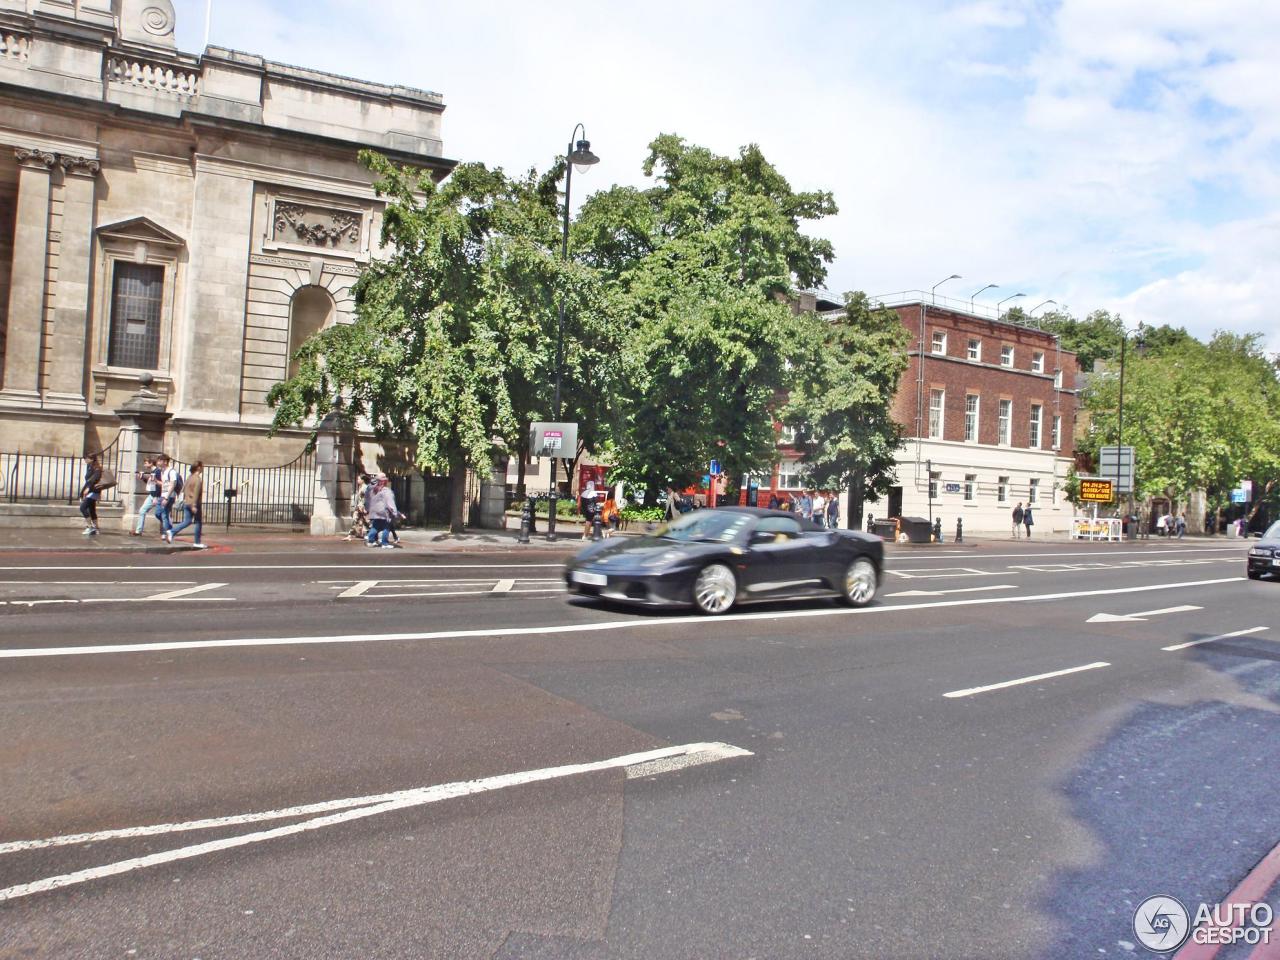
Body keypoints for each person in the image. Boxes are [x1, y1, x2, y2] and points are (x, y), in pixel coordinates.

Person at [169, 461, 207, 549]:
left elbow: (183, 489)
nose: (202, 468)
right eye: (202, 466)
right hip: (194, 503)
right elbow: (196, 492)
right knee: (198, 522)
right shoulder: (197, 479)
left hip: (187, 502)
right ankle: (197, 542)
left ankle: (171, 532)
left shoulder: (189, 477)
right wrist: (193, 505)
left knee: (187, 521)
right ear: (198, 467)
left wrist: (186, 499)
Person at [365, 474, 399, 548]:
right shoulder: (386, 491)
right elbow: (390, 502)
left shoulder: (371, 489)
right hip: (384, 512)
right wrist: (395, 512)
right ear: (384, 482)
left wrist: (367, 509)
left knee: (375, 527)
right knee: (386, 527)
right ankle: (384, 543)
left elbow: (367, 500)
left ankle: (370, 541)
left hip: (374, 512)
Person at [154, 454, 182, 543]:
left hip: (169, 496)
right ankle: (169, 528)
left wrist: (166, 498)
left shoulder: (172, 471)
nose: (158, 463)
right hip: (162, 495)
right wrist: (155, 481)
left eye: (160, 461)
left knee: (164, 514)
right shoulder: (163, 472)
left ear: (165, 462)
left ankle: (167, 532)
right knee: (158, 513)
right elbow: (164, 484)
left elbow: (172, 484)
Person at [130, 456, 159, 537]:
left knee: (162, 514)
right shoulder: (152, 471)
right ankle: (138, 531)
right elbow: (151, 484)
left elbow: (158, 485)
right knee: (142, 511)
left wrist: (156, 497)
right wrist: (143, 478)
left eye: (146, 463)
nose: (144, 465)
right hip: (152, 495)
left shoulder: (157, 472)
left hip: (156, 496)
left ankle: (168, 531)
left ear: (151, 463)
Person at [79, 454, 103, 536]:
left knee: (83, 508)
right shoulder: (89, 467)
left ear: (92, 459)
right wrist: (81, 493)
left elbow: (95, 479)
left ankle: (90, 527)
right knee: (92, 510)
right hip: (90, 491)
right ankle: (96, 528)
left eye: (86, 458)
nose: (85, 460)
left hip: (93, 491)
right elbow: (88, 481)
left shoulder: (97, 468)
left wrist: (88, 488)